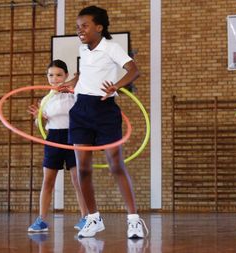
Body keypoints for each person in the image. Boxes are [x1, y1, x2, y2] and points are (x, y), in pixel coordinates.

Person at [59, 5, 147, 239]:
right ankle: (93, 218)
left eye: (85, 26)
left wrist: (116, 86)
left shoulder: (111, 48)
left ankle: (134, 220)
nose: (80, 30)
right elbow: (84, 73)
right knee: (83, 170)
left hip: (105, 110)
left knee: (115, 165)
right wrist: (73, 82)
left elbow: (134, 70)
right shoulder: (83, 49)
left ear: (99, 27)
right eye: (78, 27)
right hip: (80, 112)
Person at [27, 60, 88, 232]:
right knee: (48, 181)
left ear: (66, 76)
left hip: (73, 137)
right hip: (53, 138)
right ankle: (41, 220)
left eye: (59, 75)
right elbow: (40, 124)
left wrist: (75, 83)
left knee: (78, 181)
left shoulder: (76, 94)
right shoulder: (46, 99)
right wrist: (38, 117)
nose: (55, 79)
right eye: (51, 75)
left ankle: (85, 218)